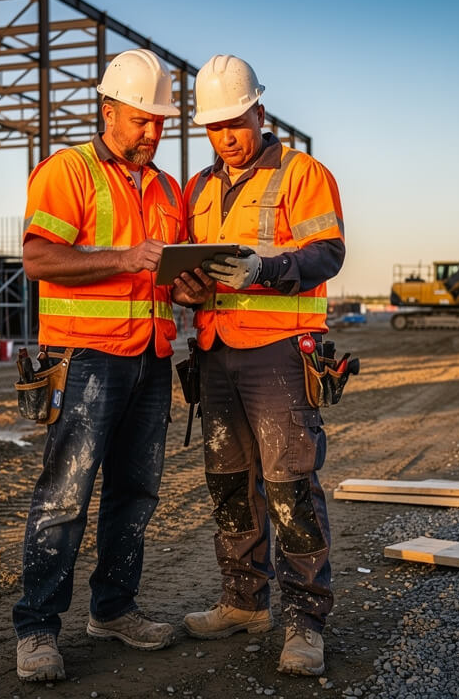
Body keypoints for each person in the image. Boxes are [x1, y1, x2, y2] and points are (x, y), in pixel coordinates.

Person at [12, 48, 208, 682]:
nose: (152, 133)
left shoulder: (168, 188)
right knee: (65, 497)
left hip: (151, 360)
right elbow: (40, 261)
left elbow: (163, 273)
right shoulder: (65, 172)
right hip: (86, 359)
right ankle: (38, 629)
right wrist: (126, 258)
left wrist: (190, 288)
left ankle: (113, 609)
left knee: (136, 494)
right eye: (141, 120)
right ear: (108, 110)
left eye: (159, 122)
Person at [175, 54, 345, 677]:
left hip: (278, 350)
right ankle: (244, 601)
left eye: (236, 123)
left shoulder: (302, 175)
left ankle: (306, 621)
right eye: (215, 127)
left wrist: (266, 269)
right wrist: (187, 288)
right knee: (229, 483)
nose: (227, 137)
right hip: (216, 349)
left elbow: (328, 253)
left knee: (290, 485)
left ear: (260, 112)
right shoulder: (197, 186)